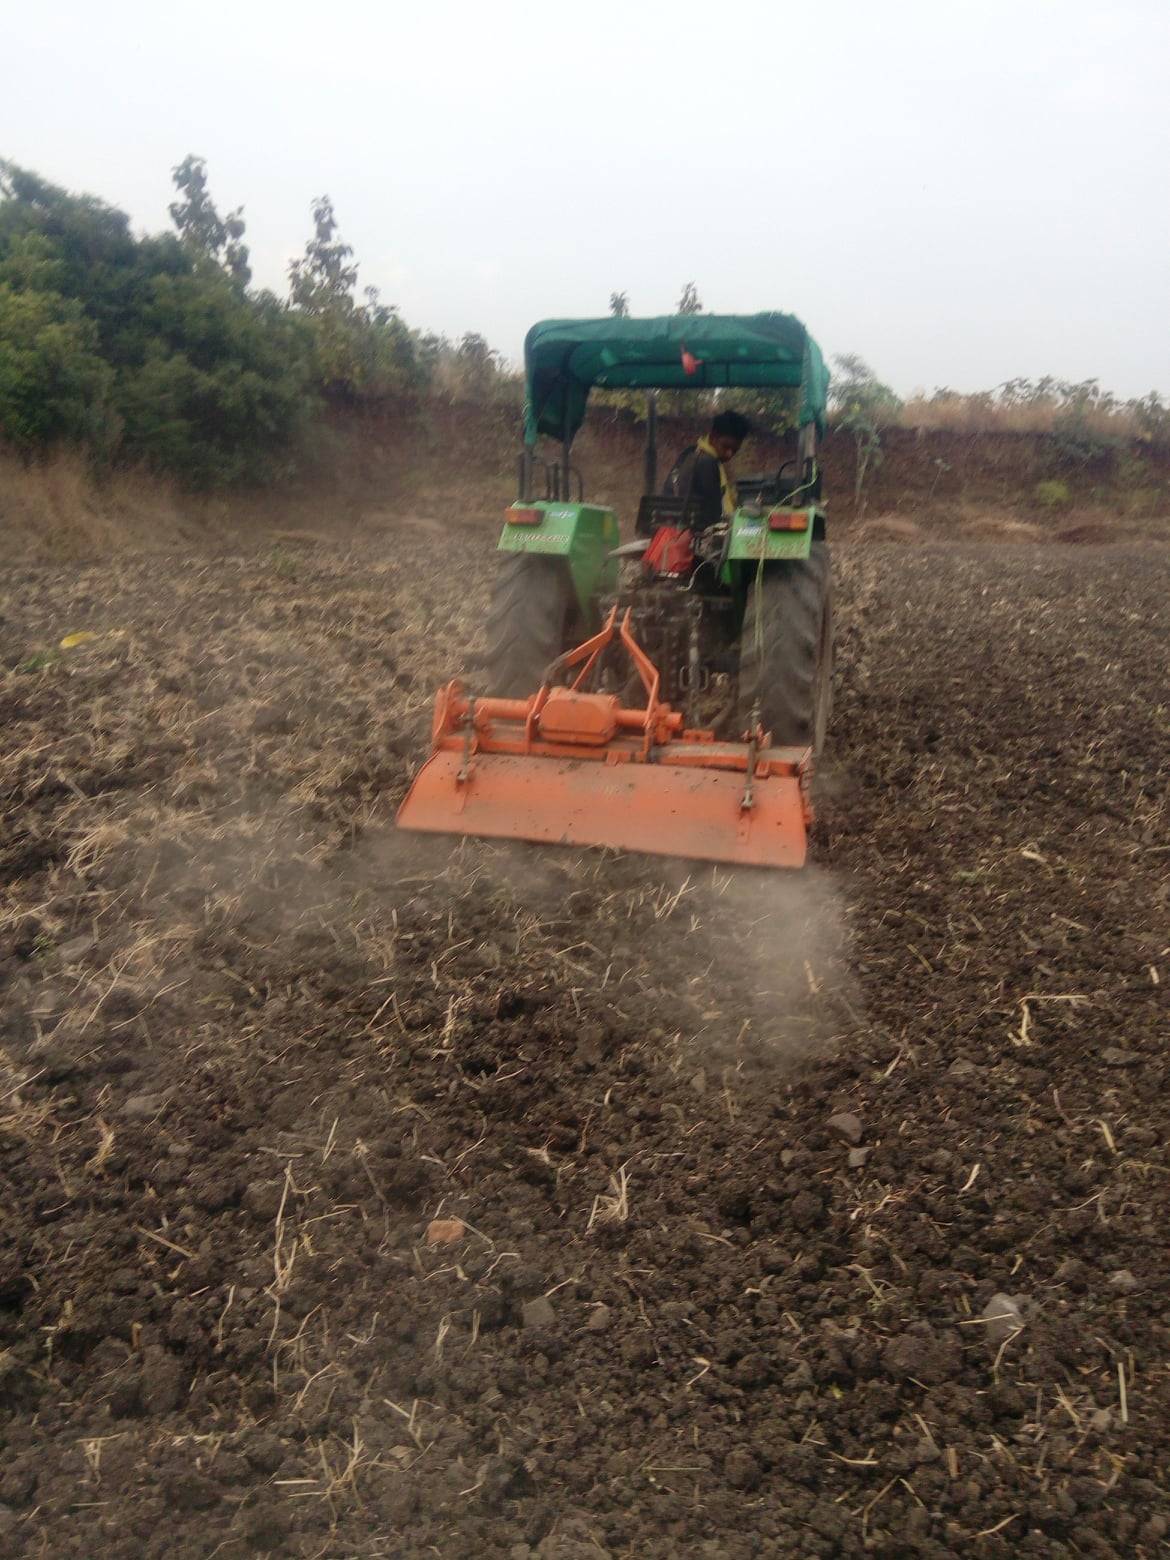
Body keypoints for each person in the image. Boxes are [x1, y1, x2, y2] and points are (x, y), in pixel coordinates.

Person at [661, 409, 752, 530]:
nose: (729, 454)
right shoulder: (707, 463)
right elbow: (715, 516)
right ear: (713, 437)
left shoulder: (691, 452)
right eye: (725, 446)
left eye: (734, 450)